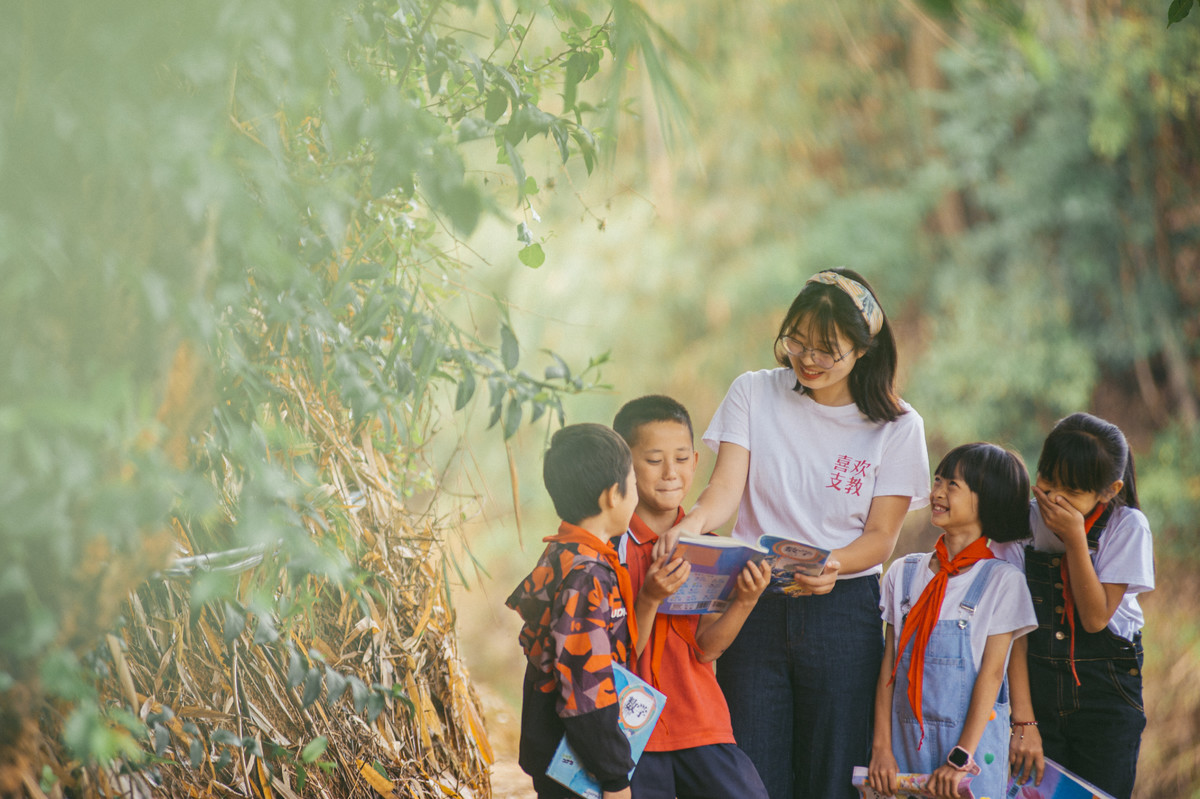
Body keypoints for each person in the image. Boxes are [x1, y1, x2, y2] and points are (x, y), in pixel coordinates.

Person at [657, 268, 931, 799]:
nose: (808, 359)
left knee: (832, 773)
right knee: (751, 775)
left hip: (843, 607)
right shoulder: (754, 392)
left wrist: (833, 565)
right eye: (797, 341)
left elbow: (880, 539)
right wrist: (691, 524)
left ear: (864, 349)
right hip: (752, 599)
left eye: (827, 349)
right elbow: (724, 490)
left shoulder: (899, 426)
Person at [612, 394, 771, 799]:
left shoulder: (711, 548)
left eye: (682, 459)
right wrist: (648, 597)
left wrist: (745, 601)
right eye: (653, 460)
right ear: (623, 463)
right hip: (630, 728)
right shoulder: (612, 548)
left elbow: (705, 649)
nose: (670, 473)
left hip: (699, 719)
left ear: (696, 463)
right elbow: (617, 656)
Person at [996, 413, 1154, 799]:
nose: (1053, 499)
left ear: (1108, 489)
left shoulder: (1126, 526)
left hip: (1106, 695)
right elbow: (1011, 627)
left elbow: (1096, 617)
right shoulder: (1021, 523)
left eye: (1071, 491)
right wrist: (1023, 720)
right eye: (1047, 481)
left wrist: (1074, 540)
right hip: (1035, 690)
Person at [868, 443, 1037, 799]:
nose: (937, 492)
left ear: (987, 500)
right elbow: (888, 667)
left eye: (952, 485)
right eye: (938, 480)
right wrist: (881, 749)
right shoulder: (903, 573)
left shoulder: (1002, 581)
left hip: (968, 760)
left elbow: (992, 676)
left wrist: (961, 758)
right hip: (902, 756)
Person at [505, 423, 642, 799]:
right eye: (633, 484)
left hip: (558, 747)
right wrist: (615, 777)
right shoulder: (589, 576)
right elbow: (585, 686)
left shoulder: (564, 553)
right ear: (613, 495)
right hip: (574, 762)